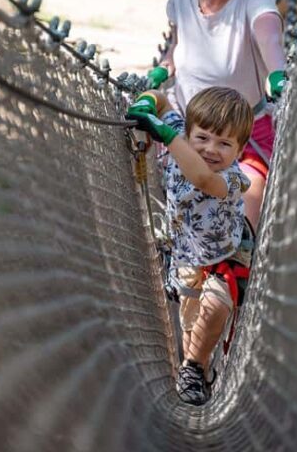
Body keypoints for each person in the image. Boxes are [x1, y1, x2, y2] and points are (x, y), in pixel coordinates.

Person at [145, 0, 287, 231]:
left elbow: (269, 35)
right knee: (180, 215)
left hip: (242, 135)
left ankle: (242, 256)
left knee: (244, 209)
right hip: (188, 129)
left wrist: (279, 73)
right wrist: (165, 66)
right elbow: (177, 42)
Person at [125, 86, 254, 406]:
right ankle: (199, 365)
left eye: (224, 143)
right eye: (203, 138)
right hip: (185, 255)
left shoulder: (233, 178)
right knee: (191, 324)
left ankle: (193, 367)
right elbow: (159, 97)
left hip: (229, 254)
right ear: (189, 130)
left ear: (240, 150)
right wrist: (146, 102)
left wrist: (168, 137)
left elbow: (203, 179)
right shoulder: (179, 134)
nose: (211, 149)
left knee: (215, 306)